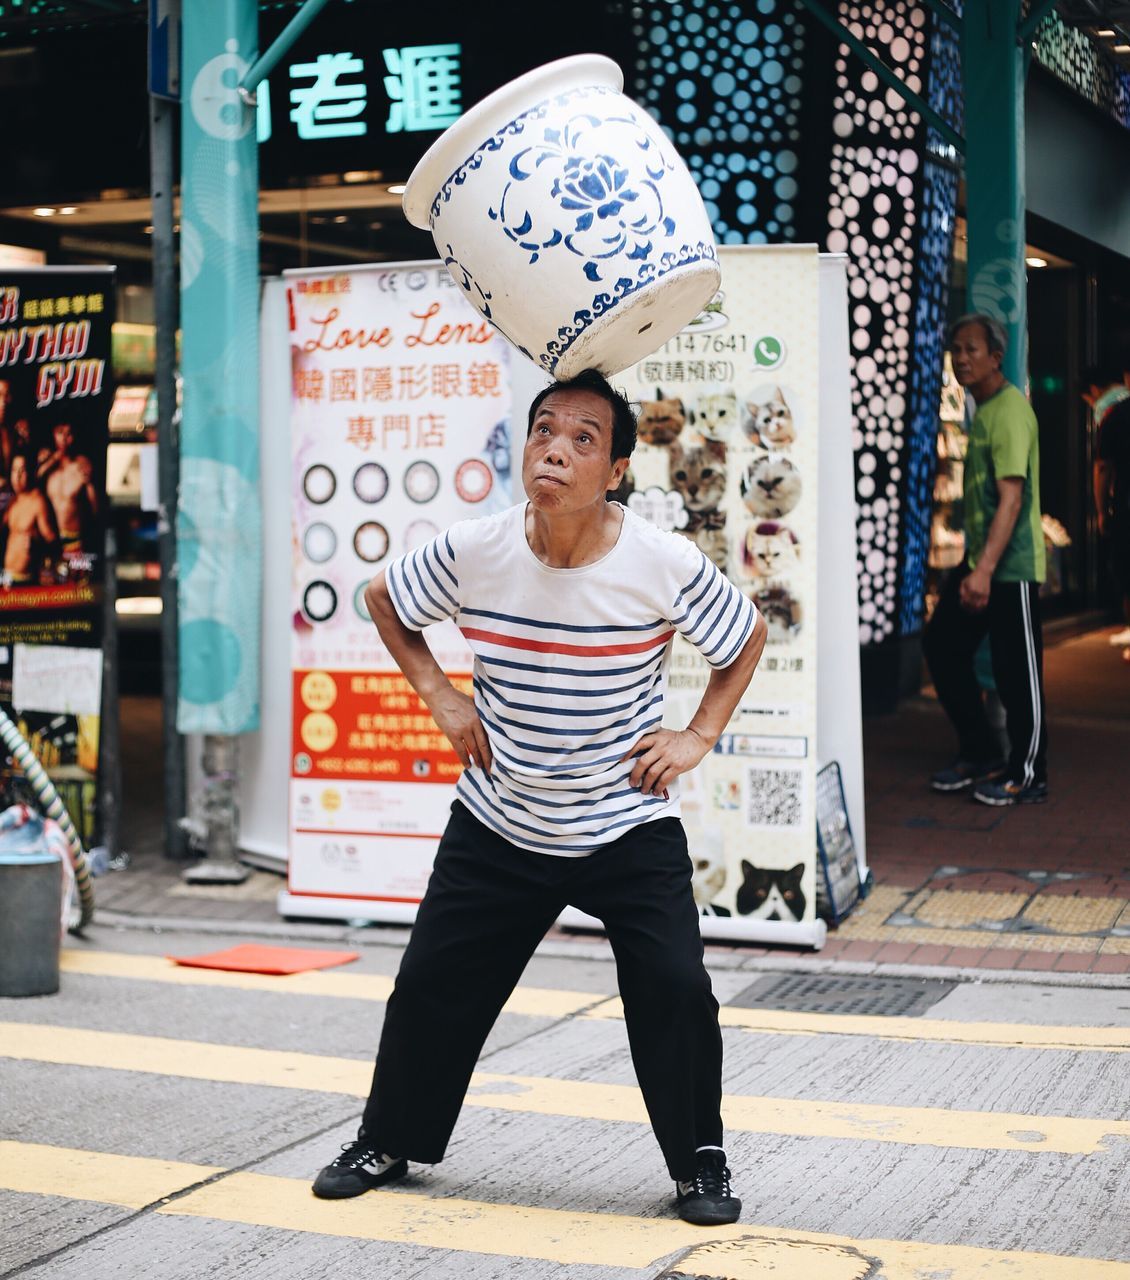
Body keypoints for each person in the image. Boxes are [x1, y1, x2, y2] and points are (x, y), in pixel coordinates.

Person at [312, 368, 767, 1225]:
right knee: (428, 985)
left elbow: (745, 636)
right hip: (501, 817)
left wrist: (698, 735)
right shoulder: (478, 548)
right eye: (544, 430)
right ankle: (388, 1137)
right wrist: (443, 697)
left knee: (675, 984)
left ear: (618, 469)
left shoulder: (658, 560)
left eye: (583, 438)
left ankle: (700, 1164)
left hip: (622, 818)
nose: (556, 448)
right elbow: (384, 598)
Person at [923, 314, 1048, 805]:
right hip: (982, 562)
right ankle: (980, 752)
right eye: (957, 348)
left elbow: (1012, 499)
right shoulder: (982, 409)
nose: (962, 357)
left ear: (997, 357)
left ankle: (1030, 773)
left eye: (972, 349)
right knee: (943, 645)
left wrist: (983, 571)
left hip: (1008, 567)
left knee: (1018, 674)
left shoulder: (1010, 411)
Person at [1087, 365, 1130, 648]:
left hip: (1126, 503)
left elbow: (1103, 467)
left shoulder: (1117, 415)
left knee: (1126, 567)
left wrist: (1102, 511)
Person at [38, 420, 98, 556]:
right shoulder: (46, 466)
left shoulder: (81, 466)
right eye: (60, 433)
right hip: (49, 543)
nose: (64, 439)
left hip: (75, 542)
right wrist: (50, 461)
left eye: (69, 434)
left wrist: (90, 484)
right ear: (53, 434)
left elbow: (95, 509)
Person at [2, 451, 58, 585]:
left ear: (31, 472)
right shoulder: (13, 501)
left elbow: (52, 541)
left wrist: (37, 545)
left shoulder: (38, 502)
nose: (18, 476)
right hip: (7, 577)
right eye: (14, 470)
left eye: (22, 470)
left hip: (25, 580)